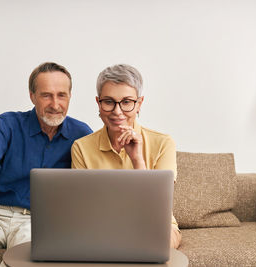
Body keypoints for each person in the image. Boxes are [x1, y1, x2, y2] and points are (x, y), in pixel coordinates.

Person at [0, 62, 92, 267]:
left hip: (37, 223)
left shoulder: (81, 134)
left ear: (70, 96)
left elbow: (92, 184)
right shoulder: (6, 124)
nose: (55, 104)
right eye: (46, 95)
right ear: (32, 96)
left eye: (61, 95)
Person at [71, 64, 182, 249]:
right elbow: (84, 208)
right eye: (109, 101)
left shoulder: (163, 143)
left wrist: (137, 159)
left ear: (139, 104)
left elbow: (157, 207)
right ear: (98, 103)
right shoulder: (81, 147)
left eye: (127, 102)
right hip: (102, 226)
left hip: (155, 225)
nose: (117, 111)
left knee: (154, 243)